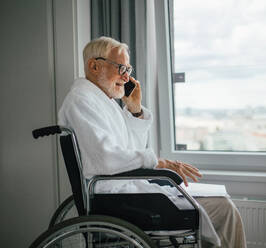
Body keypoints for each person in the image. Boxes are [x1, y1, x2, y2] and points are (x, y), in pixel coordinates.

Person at [58, 36, 246, 248]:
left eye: (128, 70)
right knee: (224, 209)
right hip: (118, 201)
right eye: (121, 68)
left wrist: (135, 110)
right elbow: (106, 159)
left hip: (127, 193)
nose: (126, 77)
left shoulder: (103, 102)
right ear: (94, 66)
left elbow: (130, 151)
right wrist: (159, 163)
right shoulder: (81, 100)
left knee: (223, 204)